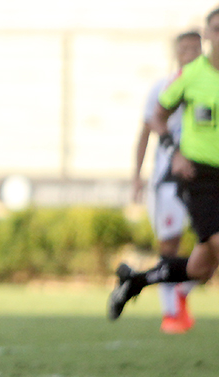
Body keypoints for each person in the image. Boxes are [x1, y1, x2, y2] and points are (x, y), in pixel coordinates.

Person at [109, 7, 219, 341]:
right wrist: (174, 151)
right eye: (217, 29)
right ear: (209, 34)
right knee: (186, 244)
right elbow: (155, 119)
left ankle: (136, 280)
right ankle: (171, 312)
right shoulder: (188, 76)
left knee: (201, 267)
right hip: (197, 177)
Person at [131, 30, 202, 334]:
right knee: (169, 244)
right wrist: (136, 176)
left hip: (205, 178)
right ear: (176, 53)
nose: (190, 54)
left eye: (195, 48)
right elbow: (146, 132)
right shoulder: (162, 88)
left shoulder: (209, 85)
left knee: (211, 245)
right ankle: (170, 312)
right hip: (169, 180)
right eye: (184, 49)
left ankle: (183, 289)